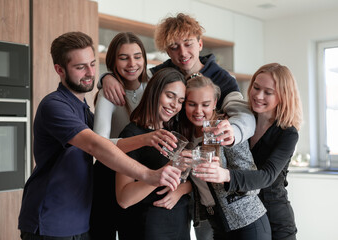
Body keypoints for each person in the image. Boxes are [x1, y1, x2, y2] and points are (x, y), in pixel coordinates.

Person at [100, 13, 256, 239]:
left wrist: (233, 132)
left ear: (200, 44)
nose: (182, 53)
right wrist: (106, 76)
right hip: (154, 221)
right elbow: (133, 78)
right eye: (174, 47)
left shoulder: (222, 80)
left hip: (212, 201)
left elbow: (243, 114)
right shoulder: (159, 79)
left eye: (182, 101)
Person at [18, 31, 181, 240]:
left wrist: (107, 77)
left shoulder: (84, 109)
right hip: (51, 219)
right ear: (59, 70)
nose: (90, 72)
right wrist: (150, 175)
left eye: (93, 64)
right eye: (80, 67)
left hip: (81, 219)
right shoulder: (54, 105)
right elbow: (96, 146)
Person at [196, 63, 302, 240]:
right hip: (242, 216)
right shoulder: (242, 121)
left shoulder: (288, 133)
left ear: (283, 95)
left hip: (275, 218)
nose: (258, 96)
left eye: (268, 92)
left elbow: (267, 176)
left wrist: (226, 175)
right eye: (256, 87)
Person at [180, 73, 271, 240]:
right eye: (192, 104)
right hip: (218, 224)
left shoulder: (225, 129)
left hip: (248, 224)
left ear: (215, 103)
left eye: (205, 104)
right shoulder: (185, 136)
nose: (198, 111)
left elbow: (253, 184)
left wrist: (223, 176)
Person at [115, 67, 191, 240]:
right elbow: (124, 199)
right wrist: (165, 171)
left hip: (179, 225)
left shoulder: (174, 133)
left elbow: (189, 182)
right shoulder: (131, 135)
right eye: (170, 96)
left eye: (180, 100)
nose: (175, 105)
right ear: (154, 92)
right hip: (147, 228)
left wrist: (183, 188)